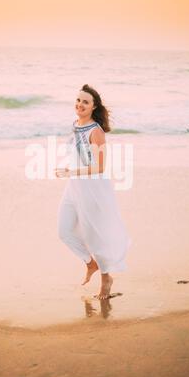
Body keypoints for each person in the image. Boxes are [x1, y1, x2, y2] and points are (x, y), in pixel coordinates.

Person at [55, 84, 131, 300]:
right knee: (64, 230)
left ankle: (106, 278)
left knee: (95, 235)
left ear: (93, 106)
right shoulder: (76, 124)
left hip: (93, 189)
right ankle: (91, 264)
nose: (80, 104)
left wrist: (71, 171)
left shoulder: (95, 132)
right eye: (78, 100)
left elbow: (99, 167)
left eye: (85, 102)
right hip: (74, 187)